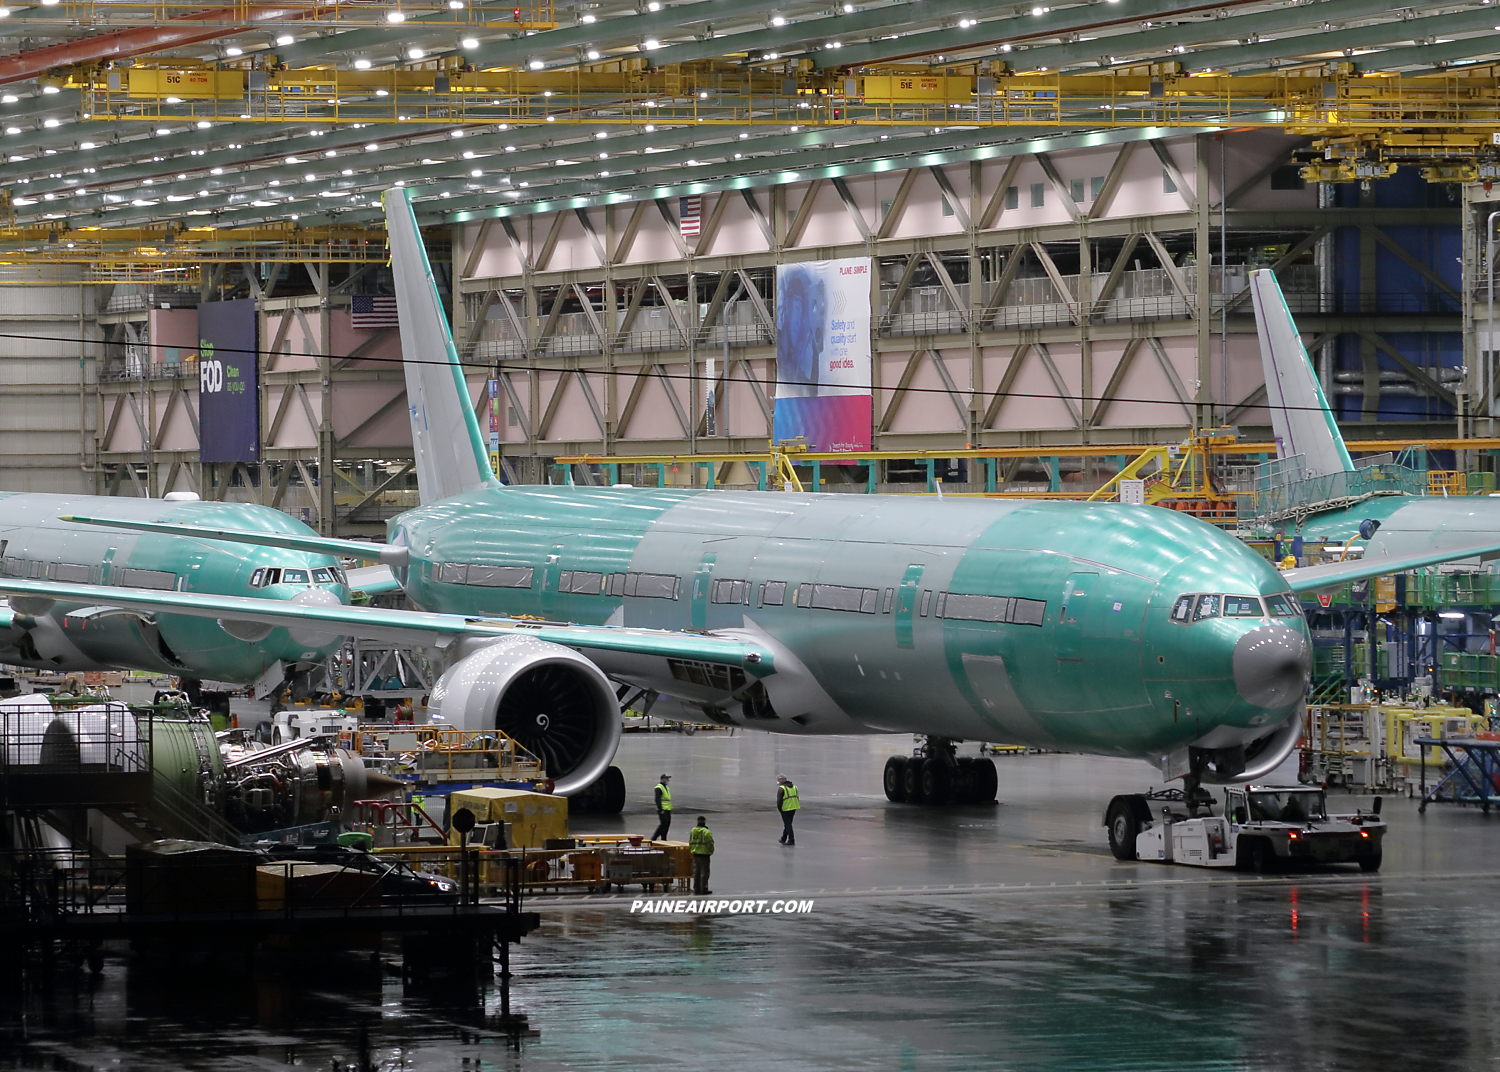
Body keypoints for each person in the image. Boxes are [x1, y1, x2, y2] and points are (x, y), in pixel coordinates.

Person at [688, 815, 714, 894]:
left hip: (695, 853)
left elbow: (690, 842)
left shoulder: (693, 831)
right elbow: (710, 844)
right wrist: (710, 851)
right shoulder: (706, 832)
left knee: (696, 872)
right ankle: (704, 888)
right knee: (704, 872)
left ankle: (696, 888)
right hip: (704, 854)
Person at [776, 775, 800, 845]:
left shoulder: (781, 789)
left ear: (781, 780)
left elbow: (779, 800)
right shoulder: (794, 787)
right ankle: (783, 838)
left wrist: (779, 808)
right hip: (794, 807)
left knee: (788, 825)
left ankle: (791, 839)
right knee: (788, 824)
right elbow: (797, 797)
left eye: (778, 780)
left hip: (785, 808)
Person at [651, 774, 673, 840]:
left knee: (667, 824)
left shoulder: (666, 788)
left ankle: (663, 838)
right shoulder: (659, 788)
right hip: (663, 809)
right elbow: (657, 799)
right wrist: (660, 809)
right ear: (662, 779)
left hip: (667, 808)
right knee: (663, 824)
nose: (668, 780)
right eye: (667, 779)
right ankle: (654, 838)